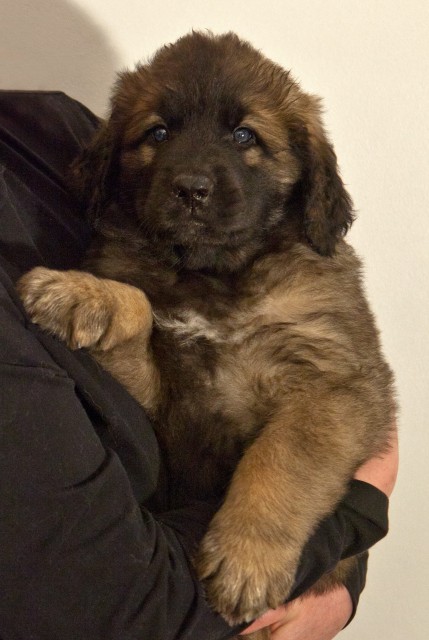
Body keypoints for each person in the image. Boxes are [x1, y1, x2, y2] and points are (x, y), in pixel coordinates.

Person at [0, 90, 398, 639]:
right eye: (159, 134)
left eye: (245, 137)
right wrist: (363, 506)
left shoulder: (42, 127)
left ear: (310, 175)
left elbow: (345, 407)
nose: (191, 174)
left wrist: (320, 562)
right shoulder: (125, 244)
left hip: (272, 545)